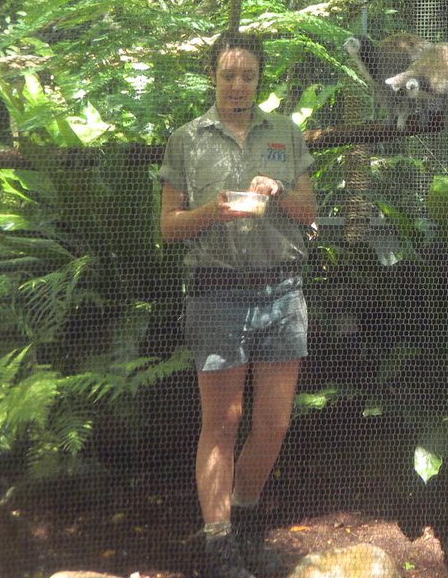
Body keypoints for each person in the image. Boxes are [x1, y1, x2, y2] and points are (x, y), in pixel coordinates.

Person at [159, 32, 317, 578]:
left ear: (258, 79)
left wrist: (277, 191)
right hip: (216, 293)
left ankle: (245, 519)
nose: (237, 85)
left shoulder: (285, 133)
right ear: (214, 78)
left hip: (281, 292)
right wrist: (211, 212)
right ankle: (219, 541)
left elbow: (307, 208)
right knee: (222, 422)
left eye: (247, 75)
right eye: (228, 75)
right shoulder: (187, 140)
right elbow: (168, 226)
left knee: (273, 423)